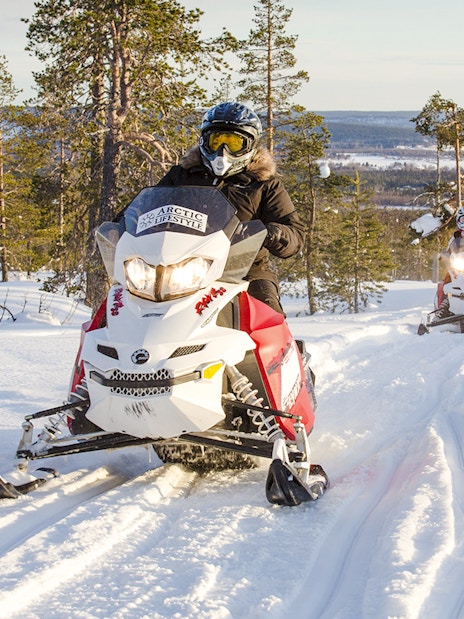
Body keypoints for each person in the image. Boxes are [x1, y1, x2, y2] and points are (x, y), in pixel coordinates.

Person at [156, 101, 305, 315]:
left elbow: (295, 235)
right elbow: (142, 209)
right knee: (124, 303)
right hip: (180, 267)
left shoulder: (263, 184)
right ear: (203, 140)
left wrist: (275, 233)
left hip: (245, 269)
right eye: (216, 141)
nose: (222, 151)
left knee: (266, 316)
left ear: (250, 145)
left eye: (233, 143)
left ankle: (280, 349)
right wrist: (120, 225)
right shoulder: (181, 176)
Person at [435, 207, 464, 319]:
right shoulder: (455, 236)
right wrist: (445, 255)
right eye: (463, 220)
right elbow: (450, 248)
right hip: (460, 265)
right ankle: (441, 310)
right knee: (446, 282)